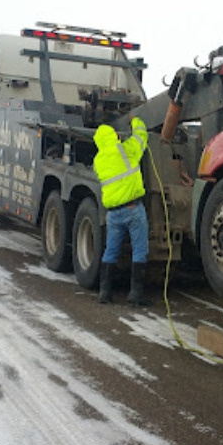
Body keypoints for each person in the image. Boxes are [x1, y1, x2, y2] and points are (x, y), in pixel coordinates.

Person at [93, 116, 149, 306]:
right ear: (115, 135)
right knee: (140, 250)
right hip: (132, 209)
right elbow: (141, 137)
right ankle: (136, 295)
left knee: (111, 251)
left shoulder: (98, 161)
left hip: (113, 214)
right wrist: (136, 121)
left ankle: (104, 293)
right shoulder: (126, 150)